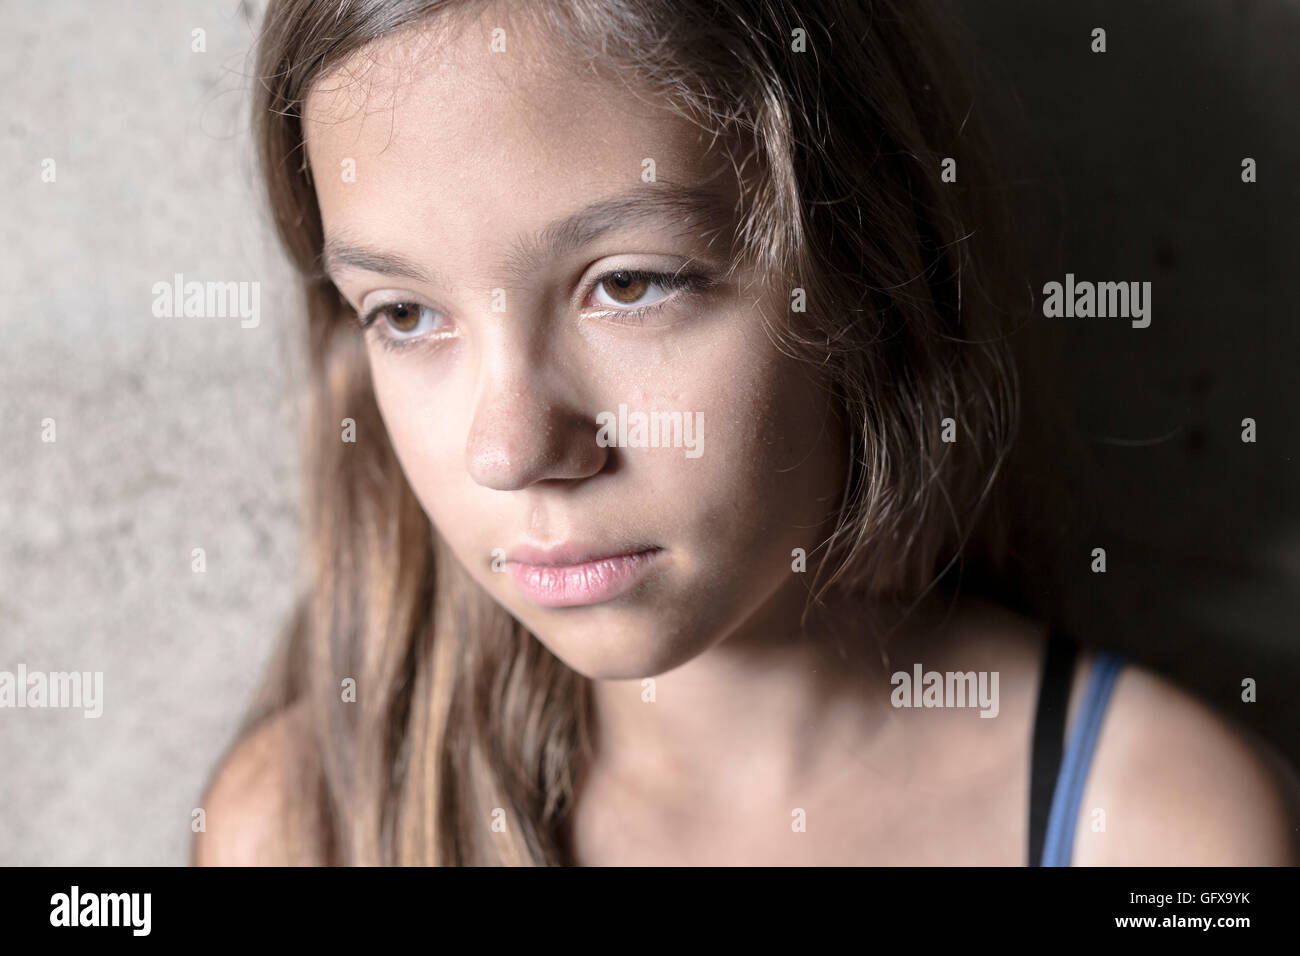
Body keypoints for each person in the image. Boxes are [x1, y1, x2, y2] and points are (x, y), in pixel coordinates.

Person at [192, 0, 1298, 866]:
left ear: (867, 271)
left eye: (628, 283)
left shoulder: (1155, 830)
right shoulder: (304, 832)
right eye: (406, 313)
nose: (510, 448)